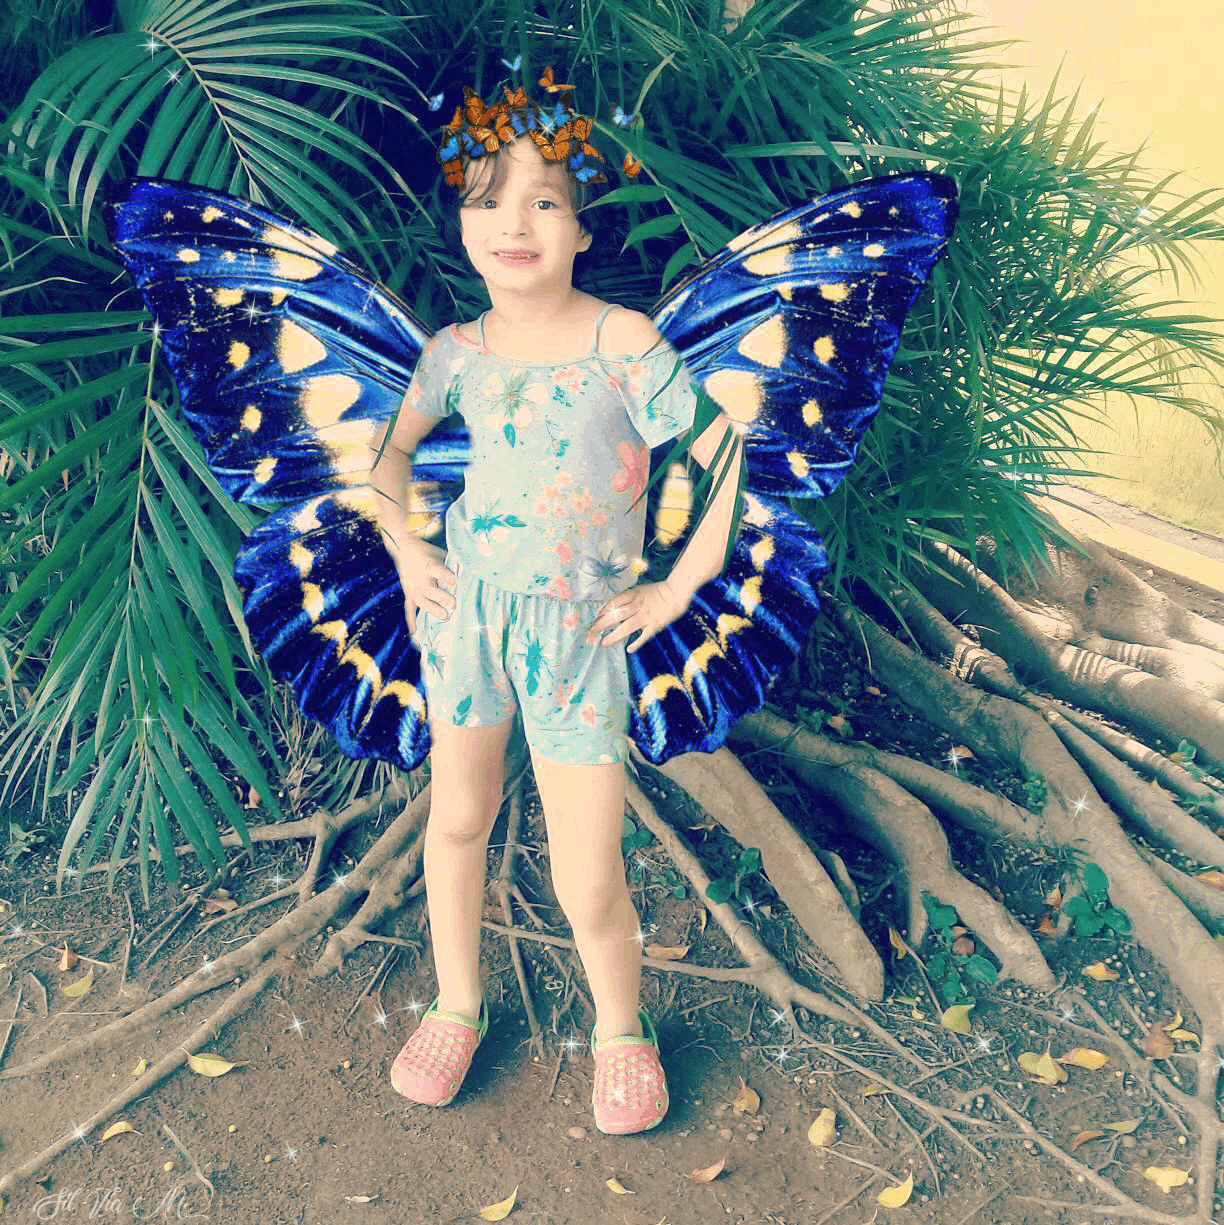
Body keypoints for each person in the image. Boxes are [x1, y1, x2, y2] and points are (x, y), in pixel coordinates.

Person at [368, 77, 743, 1136]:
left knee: (586, 868)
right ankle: (457, 1001)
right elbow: (387, 458)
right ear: (462, 223)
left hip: (581, 634)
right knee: (457, 819)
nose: (515, 224)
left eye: (544, 201)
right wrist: (406, 551)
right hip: (467, 620)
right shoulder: (455, 352)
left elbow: (722, 451)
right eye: (489, 200)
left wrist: (679, 583)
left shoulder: (623, 343)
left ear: (582, 226)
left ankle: (621, 1026)